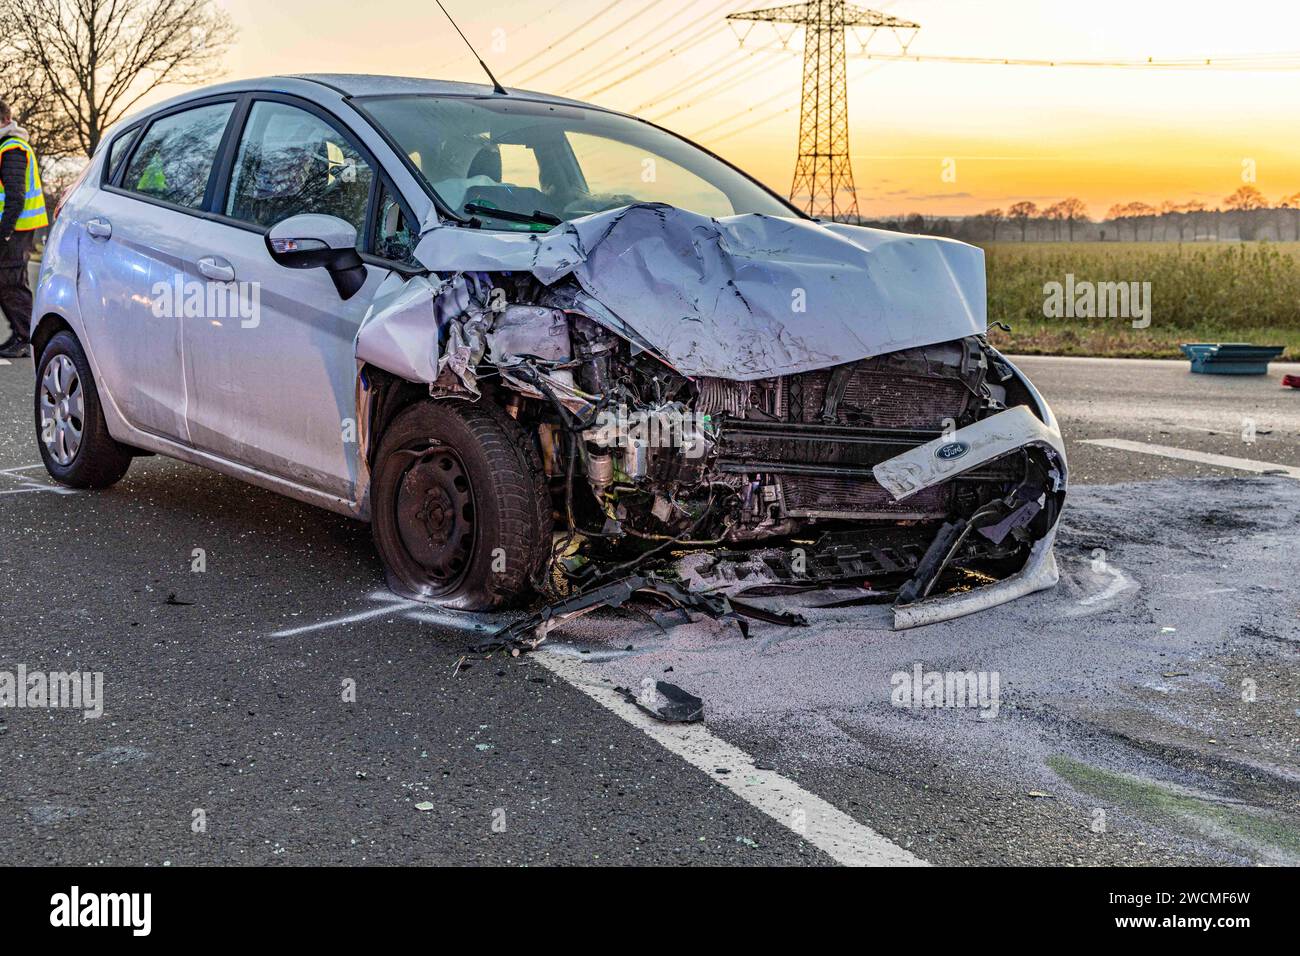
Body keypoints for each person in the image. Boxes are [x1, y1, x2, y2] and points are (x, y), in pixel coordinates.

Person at [0, 98, 49, 359]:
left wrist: (4, 231)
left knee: (11, 282)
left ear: (6, 120)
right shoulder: (5, 147)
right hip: (13, 228)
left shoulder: (12, 148)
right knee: (7, 281)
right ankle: (22, 334)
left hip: (15, 229)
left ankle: (25, 337)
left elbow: (15, 197)